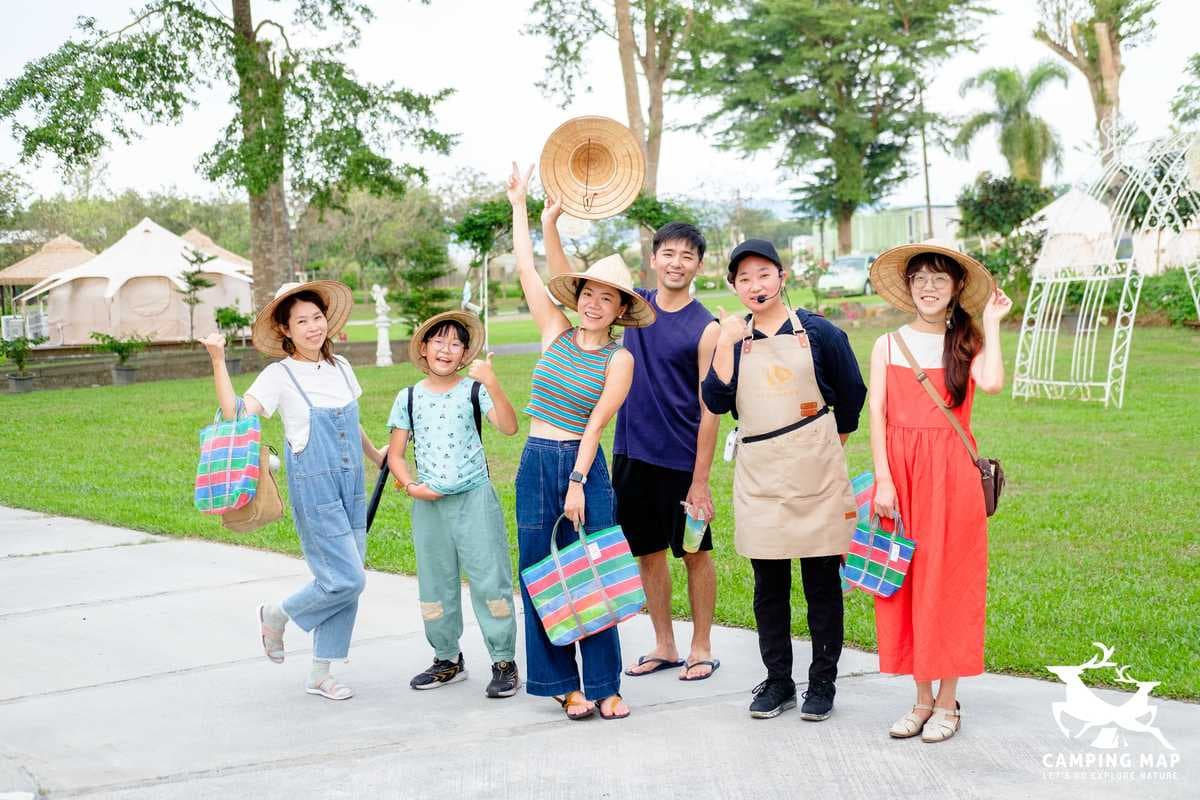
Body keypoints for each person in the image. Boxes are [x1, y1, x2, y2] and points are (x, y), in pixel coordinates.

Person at [543, 206, 721, 681]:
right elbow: (570, 279)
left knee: (696, 553)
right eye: (668, 254)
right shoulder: (632, 308)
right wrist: (549, 226)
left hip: (682, 463)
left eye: (687, 256)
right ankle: (664, 644)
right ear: (654, 259)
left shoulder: (707, 327)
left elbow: (711, 410)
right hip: (630, 456)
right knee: (646, 552)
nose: (676, 262)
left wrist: (701, 481)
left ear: (699, 265)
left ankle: (701, 645)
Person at [506, 162, 655, 721]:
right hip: (535, 459)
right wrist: (527, 209)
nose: (593, 303)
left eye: (606, 298)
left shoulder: (620, 359)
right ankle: (561, 684)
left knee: (592, 571)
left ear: (620, 311)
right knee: (537, 575)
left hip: (582, 467)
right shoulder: (555, 332)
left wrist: (576, 481)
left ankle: (604, 684)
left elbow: (595, 425)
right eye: (588, 294)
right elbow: (527, 268)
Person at [701, 240, 866, 721]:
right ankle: (778, 682)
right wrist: (727, 343)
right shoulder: (731, 336)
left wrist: (826, 443)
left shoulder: (818, 332)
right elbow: (714, 399)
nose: (755, 285)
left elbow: (851, 394)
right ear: (733, 286)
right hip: (759, 472)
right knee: (768, 586)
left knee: (820, 584)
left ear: (782, 276)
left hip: (815, 466)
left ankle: (822, 683)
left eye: (764, 274)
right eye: (744, 278)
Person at [201, 281, 387, 701]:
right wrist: (218, 360)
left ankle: (320, 674)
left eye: (317, 318)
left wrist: (376, 455)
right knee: (348, 579)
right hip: (313, 486)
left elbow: (349, 422)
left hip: (351, 485)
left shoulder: (341, 368)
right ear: (285, 329)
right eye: (301, 321)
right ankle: (276, 614)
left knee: (345, 581)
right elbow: (233, 415)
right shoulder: (278, 376)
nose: (312, 327)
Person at [866, 242, 1011, 743]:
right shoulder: (887, 344)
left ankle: (948, 704)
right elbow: (878, 419)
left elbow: (991, 384)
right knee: (906, 585)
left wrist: (991, 322)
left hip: (953, 479)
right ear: (909, 288)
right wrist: (883, 479)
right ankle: (920, 699)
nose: (928, 287)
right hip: (901, 479)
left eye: (939, 279)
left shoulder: (965, 343)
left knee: (948, 586)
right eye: (920, 278)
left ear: (954, 290)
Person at [385, 310, 522, 699]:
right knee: (435, 583)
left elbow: (509, 427)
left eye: (456, 343)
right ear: (424, 349)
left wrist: (492, 384)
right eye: (438, 341)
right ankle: (447, 658)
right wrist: (412, 487)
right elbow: (395, 454)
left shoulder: (474, 391)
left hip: (474, 499)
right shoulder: (408, 397)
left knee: (489, 580)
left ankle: (503, 662)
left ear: (464, 355)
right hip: (429, 505)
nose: (446, 349)